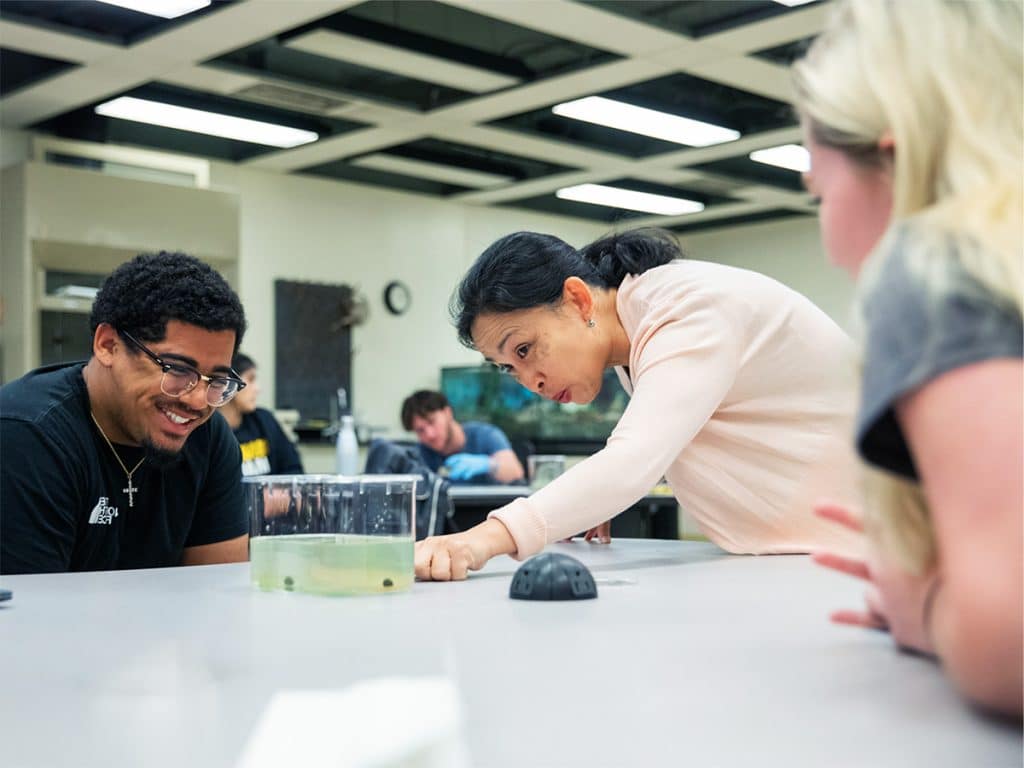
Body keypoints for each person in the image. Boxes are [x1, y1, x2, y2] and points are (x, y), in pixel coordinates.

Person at [792, 0, 1022, 715]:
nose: (829, 237)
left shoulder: (934, 265)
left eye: (819, 192)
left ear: (890, 154)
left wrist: (926, 605)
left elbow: (1013, 636)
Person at [414, 227, 864, 581]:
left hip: (883, 548)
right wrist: (591, 501)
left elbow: (633, 460)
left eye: (526, 349)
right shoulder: (638, 331)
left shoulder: (685, 309)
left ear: (577, 299)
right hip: (819, 556)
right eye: (508, 367)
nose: (530, 381)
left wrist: (479, 540)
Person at [0, 252, 250, 574]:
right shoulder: (26, 436)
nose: (199, 402)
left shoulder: (209, 439)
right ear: (107, 345)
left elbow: (218, 595)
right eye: (176, 369)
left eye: (216, 380)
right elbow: (26, 617)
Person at [400, 389, 524, 484]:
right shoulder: (421, 453)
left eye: (432, 422)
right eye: (420, 430)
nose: (430, 434)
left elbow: (515, 472)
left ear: (448, 413)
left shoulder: (485, 435)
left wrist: (488, 465)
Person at [220, 352, 304, 476]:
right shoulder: (210, 432)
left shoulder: (264, 420)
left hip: (274, 495)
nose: (257, 389)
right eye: (251, 379)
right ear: (229, 383)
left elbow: (294, 469)